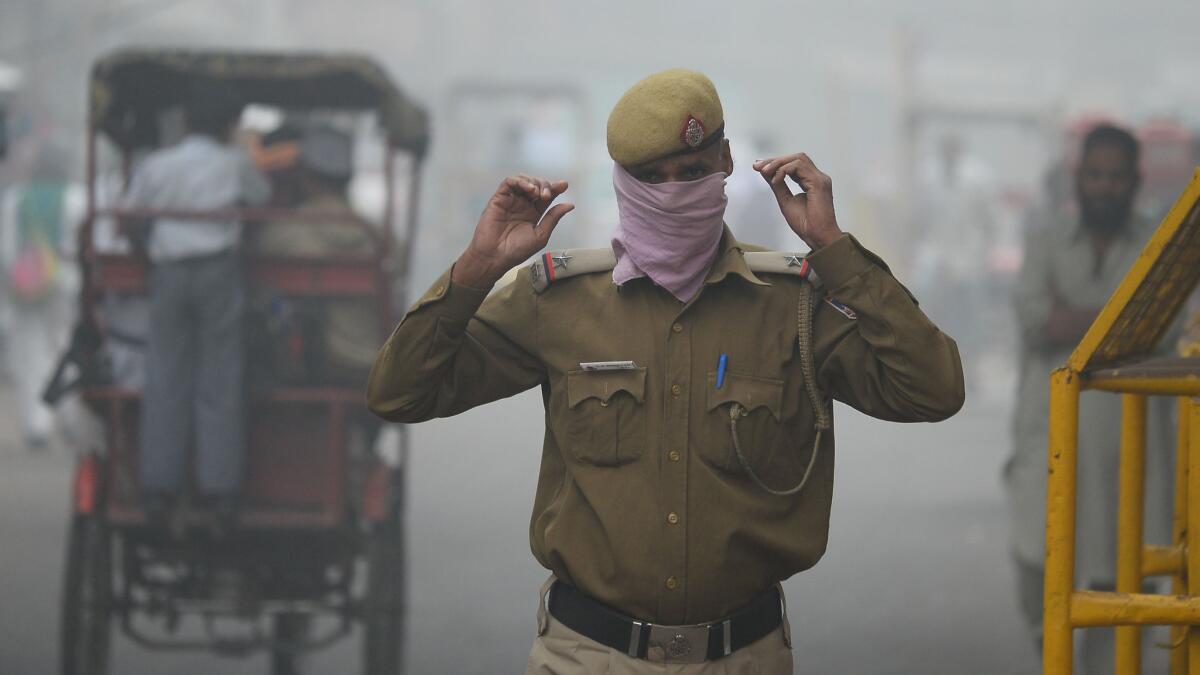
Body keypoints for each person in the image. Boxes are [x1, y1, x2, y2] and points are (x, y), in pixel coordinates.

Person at [368, 69, 964, 672]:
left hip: (743, 657)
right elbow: (400, 393)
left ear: (727, 161)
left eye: (693, 172)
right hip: (588, 657)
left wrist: (834, 248)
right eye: (651, 178)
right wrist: (475, 268)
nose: (674, 192)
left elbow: (933, 389)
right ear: (622, 180)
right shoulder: (559, 300)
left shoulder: (795, 304)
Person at [1005, 123, 1174, 672]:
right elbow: (1035, 323)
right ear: (1079, 178)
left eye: (1115, 177)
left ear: (1134, 182)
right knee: (1033, 559)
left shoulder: (1159, 247)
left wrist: (1073, 318)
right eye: (1095, 175)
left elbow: (1166, 333)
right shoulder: (1046, 239)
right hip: (1048, 433)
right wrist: (1124, 322)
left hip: (1130, 444)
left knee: (1116, 576)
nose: (1105, 187)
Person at [122, 80, 270, 525]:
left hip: (168, 272)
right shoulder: (235, 163)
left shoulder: (156, 165)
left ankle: (157, 490)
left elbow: (130, 217)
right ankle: (220, 492)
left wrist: (148, 254)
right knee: (219, 379)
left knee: (164, 374)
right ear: (228, 127)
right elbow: (261, 202)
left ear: (183, 122)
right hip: (218, 272)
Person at [254, 125, 379, 383]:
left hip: (320, 361)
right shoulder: (375, 236)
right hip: (373, 357)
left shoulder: (285, 231)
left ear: (305, 177)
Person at [0, 143, 82, 448]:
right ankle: (70, 415)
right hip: (68, 284)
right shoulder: (77, 199)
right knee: (66, 348)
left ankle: (38, 423)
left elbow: (7, 250)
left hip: (26, 285)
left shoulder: (15, 199)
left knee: (29, 355)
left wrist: (17, 277)